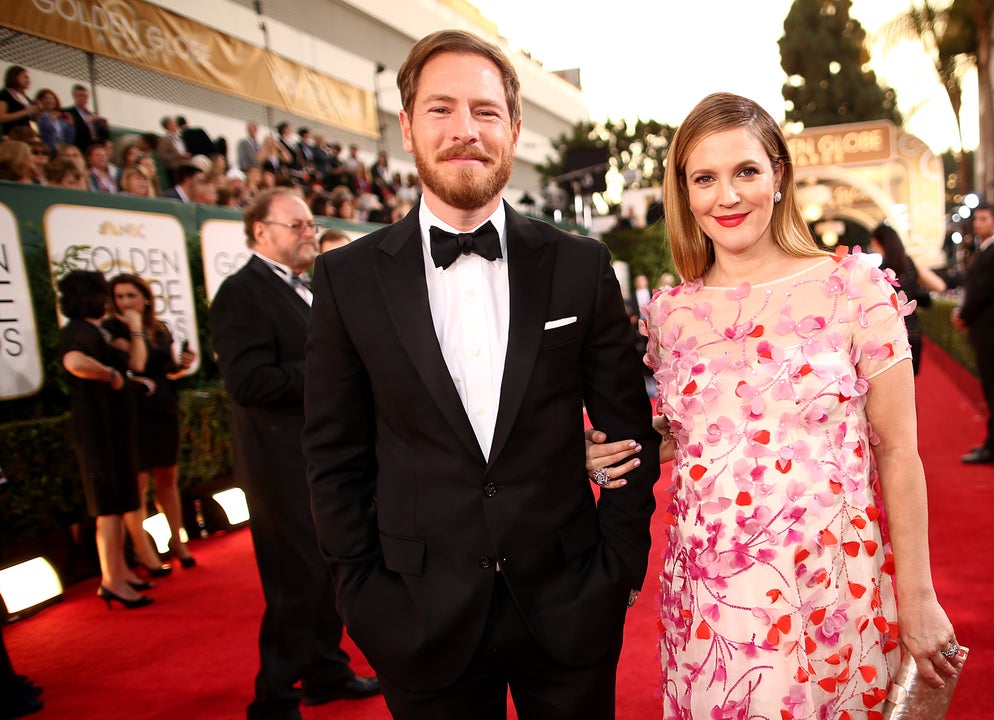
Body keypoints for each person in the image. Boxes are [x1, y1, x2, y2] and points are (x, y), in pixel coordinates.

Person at [302, 29, 659, 719]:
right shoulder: (347, 278)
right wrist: (363, 598)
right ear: (407, 126)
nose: (465, 129)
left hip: (569, 607)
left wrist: (616, 569)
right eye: (440, 108)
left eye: (485, 110)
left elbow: (628, 432)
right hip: (417, 617)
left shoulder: (579, 265)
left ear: (514, 129)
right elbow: (332, 458)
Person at [589, 92, 958, 719]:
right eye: (705, 178)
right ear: (684, 192)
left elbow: (899, 452)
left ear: (778, 175)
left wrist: (919, 596)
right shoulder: (672, 315)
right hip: (715, 598)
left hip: (833, 585)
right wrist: (601, 453)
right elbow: (697, 430)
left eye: (746, 171)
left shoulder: (855, 289)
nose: (727, 196)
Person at [210, 188, 379, 720]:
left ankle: (325, 672)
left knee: (327, 570)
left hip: (320, 459)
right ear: (261, 232)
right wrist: (334, 372)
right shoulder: (241, 293)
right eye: (298, 225)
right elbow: (248, 382)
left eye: (311, 224)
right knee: (295, 580)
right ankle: (274, 697)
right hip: (279, 466)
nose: (310, 232)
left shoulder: (306, 287)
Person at [56, 270, 155, 610]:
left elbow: (135, 363)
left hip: (111, 431)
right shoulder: (78, 331)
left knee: (117, 504)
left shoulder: (96, 330)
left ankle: (121, 571)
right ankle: (112, 581)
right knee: (109, 509)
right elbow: (74, 361)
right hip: (97, 433)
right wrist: (109, 374)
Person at [105, 274, 199, 569]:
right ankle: (145, 552)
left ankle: (177, 542)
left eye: (130, 295)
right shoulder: (113, 330)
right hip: (134, 413)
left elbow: (167, 370)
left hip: (164, 408)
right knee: (140, 483)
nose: (125, 302)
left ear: (145, 298)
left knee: (168, 478)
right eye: (119, 297)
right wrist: (135, 329)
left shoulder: (160, 328)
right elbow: (137, 364)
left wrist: (182, 366)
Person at [952, 202, 994, 465]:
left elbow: (983, 291)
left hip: (993, 330)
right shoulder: (988, 249)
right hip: (986, 329)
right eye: (976, 219)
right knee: (992, 388)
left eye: (984, 219)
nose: (978, 224)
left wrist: (964, 314)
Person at [871, 223, 943, 375]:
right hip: (913, 333)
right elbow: (940, 286)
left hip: (892, 336)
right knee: (912, 382)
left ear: (876, 242)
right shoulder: (909, 263)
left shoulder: (879, 273)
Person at [64, 84, 108, 153]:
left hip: (94, 150)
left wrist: (104, 127)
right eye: (80, 95)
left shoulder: (93, 115)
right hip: (78, 149)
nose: (83, 98)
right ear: (74, 96)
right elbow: (70, 133)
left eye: (85, 96)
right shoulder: (68, 112)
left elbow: (104, 136)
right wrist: (86, 122)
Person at [1, 66, 39, 136]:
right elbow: (2, 117)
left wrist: (37, 111)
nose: (28, 81)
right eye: (25, 77)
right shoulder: (5, 94)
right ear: (15, 77)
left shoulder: (26, 98)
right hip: (11, 136)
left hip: (27, 135)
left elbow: (32, 120)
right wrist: (26, 111)